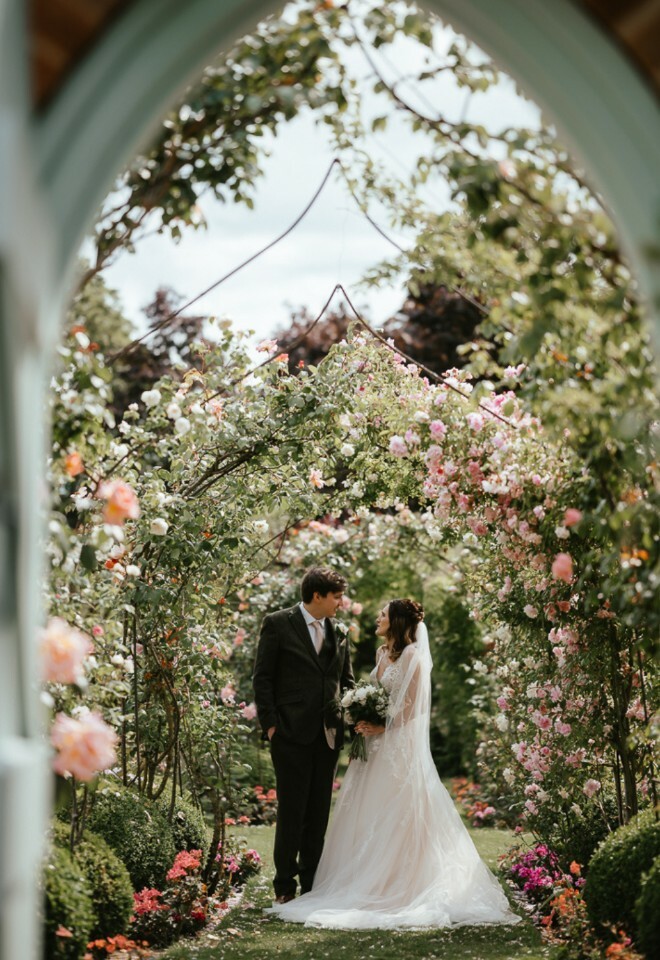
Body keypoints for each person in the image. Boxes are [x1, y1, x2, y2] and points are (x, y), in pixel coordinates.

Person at [268, 598, 522, 929]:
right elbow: (379, 695)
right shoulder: (380, 654)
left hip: (397, 745)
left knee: (397, 812)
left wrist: (381, 725)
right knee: (366, 812)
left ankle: (399, 883)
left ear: (397, 621)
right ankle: (362, 879)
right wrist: (361, 715)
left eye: (383, 614)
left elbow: (414, 707)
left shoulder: (414, 657)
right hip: (374, 746)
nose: (377, 617)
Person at [253, 566, 355, 903]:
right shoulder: (278, 623)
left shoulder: (340, 631)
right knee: (292, 812)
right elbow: (263, 678)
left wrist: (354, 717)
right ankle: (284, 885)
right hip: (289, 733)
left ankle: (313, 884)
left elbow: (347, 681)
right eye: (337, 596)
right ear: (317, 596)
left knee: (318, 813)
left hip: (328, 736)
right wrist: (271, 726)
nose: (341, 603)